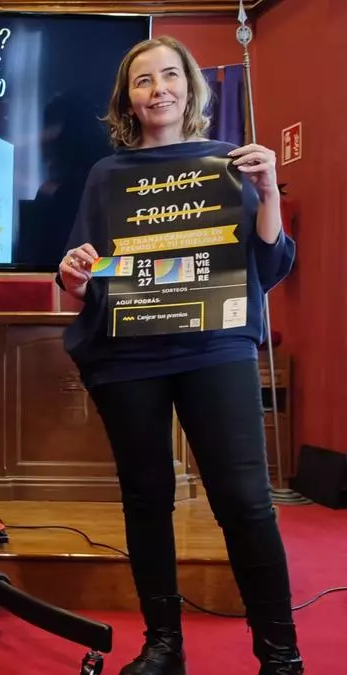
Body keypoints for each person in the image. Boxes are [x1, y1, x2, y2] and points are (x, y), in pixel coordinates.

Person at [57, 36, 302, 675]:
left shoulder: (231, 164)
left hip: (215, 347)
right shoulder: (106, 175)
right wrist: (76, 275)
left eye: (170, 75)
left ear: (190, 88)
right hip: (128, 357)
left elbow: (269, 264)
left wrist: (269, 192)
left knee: (245, 501)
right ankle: (163, 646)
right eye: (143, 80)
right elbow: (86, 280)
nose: (158, 88)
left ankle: (281, 656)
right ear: (128, 99)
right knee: (146, 500)